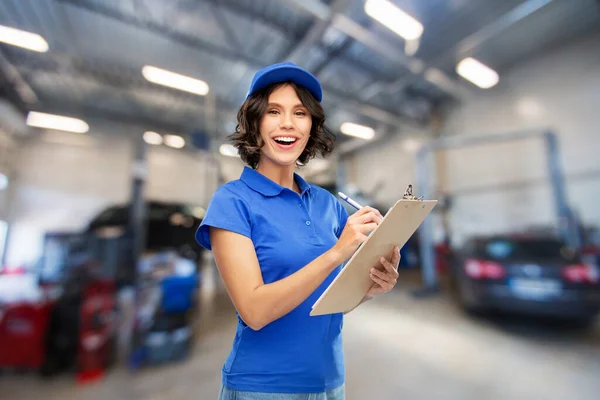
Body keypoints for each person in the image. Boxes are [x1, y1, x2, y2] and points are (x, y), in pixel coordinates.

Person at [195, 62, 401, 400]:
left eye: (300, 113)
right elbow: (255, 311)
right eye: (274, 111)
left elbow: (331, 302)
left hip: (330, 382)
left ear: (311, 128)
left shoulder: (327, 204)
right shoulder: (232, 202)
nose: (288, 123)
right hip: (262, 387)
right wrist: (336, 252)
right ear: (255, 123)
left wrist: (372, 286)